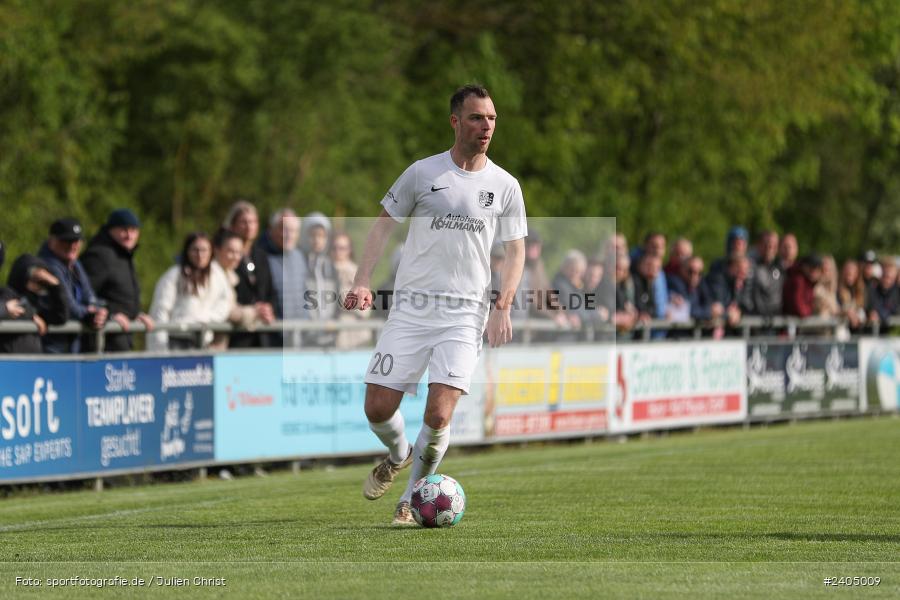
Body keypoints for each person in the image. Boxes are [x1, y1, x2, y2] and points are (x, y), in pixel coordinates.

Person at [343, 84, 527, 526]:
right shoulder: (423, 173)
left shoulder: (505, 185)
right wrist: (362, 279)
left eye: (492, 119)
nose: (487, 126)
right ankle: (399, 452)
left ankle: (408, 501)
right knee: (377, 408)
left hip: (465, 315)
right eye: (477, 118)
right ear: (455, 122)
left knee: (439, 411)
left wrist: (502, 305)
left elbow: (516, 250)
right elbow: (383, 226)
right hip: (411, 308)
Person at [80, 209, 154, 351]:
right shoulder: (100, 255)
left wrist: (136, 314)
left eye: (133, 230)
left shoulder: (124, 255)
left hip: (121, 337)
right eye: (124, 230)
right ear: (110, 230)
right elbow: (83, 294)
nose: (129, 235)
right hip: (102, 341)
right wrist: (112, 314)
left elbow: (118, 294)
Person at [147, 232, 233, 351]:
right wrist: (160, 348)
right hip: (176, 341)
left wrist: (206, 318)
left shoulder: (217, 275)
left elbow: (225, 303)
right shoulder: (174, 275)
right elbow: (160, 311)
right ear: (187, 251)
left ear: (211, 252)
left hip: (204, 341)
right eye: (195, 250)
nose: (200, 255)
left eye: (204, 250)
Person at [37, 218, 108, 353]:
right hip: (51, 349)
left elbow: (91, 297)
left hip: (71, 347)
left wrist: (101, 311)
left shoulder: (74, 264)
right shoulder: (47, 265)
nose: (72, 246)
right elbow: (69, 307)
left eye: (76, 241)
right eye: (66, 241)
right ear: (52, 241)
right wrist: (89, 313)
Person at [223, 201, 276, 348]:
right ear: (232, 225)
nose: (249, 226)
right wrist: (251, 310)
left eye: (253, 221)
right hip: (236, 335)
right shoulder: (225, 257)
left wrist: (268, 309)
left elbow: (270, 292)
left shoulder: (261, 256)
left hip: (261, 335)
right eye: (244, 222)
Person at [0, 254, 68, 353]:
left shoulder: (37, 305)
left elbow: (61, 317)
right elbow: (16, 307)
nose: (38, 284)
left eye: (42, 282)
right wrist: (31, 314)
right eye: (34, 278)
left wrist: (55, 286)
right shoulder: (6, 294)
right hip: (11, 364)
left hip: (32, 365)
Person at [260, 209, 308, 347]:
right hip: (272, 335)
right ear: (272, 230)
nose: (289, 235)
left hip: (299, 336)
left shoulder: (300, 256)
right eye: (284, 230)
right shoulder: (261, 256)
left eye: (294, 231)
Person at [210, 228, 257, 349]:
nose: (236, 257)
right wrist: (254, 313)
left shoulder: (228, 276)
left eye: (239, 252)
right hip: (206, 347)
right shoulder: (212, 275)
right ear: (216, 250)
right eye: (231, 251)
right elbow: (222, 311)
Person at [301, 212, 338, 347]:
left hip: (328, 334)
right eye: (313, 236)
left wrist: (334, 320)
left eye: (322, 236)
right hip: (305, 335)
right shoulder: (300, 262)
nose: (317, 240)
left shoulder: (330, 265)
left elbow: (336, 297)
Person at [332, 231, 372, 349]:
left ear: (349, 250)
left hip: (357, 332)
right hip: (333, 332)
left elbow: (366, 308)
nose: (338, 251)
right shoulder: (325, 270)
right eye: (335, 248)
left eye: (342, 248)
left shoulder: (357, 272)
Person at [750, 230, 784, 318]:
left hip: (776, 321)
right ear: (759, 245)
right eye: (767, 244)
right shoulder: (750, 267)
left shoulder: (781, 268)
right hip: (755, 320)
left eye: (774, 245)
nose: (770, 248)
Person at [783, 253, 823, 318]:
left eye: (817, 269)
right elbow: (798, 306)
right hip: (791, 323)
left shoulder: (808, 282)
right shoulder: (799, 281)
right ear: (804, 266)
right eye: (812, 268)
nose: (814, 272)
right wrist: (810, 312)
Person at [865, 258, 899, 333]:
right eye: (885, 276)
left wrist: (880, 314)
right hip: (871, 334)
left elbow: (895, 309)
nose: (887, 280)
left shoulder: (897, 292)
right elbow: (870, 306)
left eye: (890, 278)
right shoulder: (872, 289)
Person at [837, 259, 866, 332]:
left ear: (857, 274)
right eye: (847, 273)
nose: (849, 276)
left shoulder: (860, 291)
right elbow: (835, 309)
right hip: (840, 329)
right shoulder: (837, 289)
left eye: (852, 273)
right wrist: (847, 312)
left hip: (858, 331)